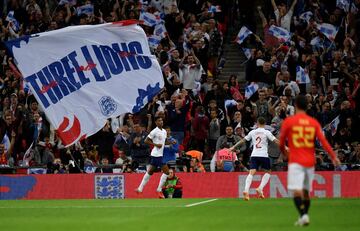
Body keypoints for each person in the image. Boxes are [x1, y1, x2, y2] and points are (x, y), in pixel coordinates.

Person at [279, 95, 340, 226]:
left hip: (295, 161)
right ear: (307, 106)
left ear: (295, 106)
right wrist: (333, 156)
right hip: (310, 161)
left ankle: (303, 215)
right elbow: (323, 141)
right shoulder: (313, 122)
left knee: (296, 191)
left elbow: (281, 142)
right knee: (306, 192)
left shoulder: (289, 122)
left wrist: (285, 153)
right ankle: (304, 216)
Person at [230, 117, 280, 201]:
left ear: (257, 123)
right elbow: (276, 141)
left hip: (254, 155)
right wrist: (285, 147)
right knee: (268, 172)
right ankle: (260, 188)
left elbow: (243, 140)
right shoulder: (267, 132)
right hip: (264, 155)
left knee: (251, 172)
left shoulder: (252, 132)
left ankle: (246, 190)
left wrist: (233, 147)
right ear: (265, 124)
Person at [135, 117, 169, 199]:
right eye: (159, 120)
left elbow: (164, 141)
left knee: (150, 172)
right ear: (156, 122)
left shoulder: (164, 131)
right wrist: (156, 145)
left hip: (158, 155)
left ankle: (140, 188)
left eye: (162, 120)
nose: (161, 122)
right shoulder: (154, 131)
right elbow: (146, 140)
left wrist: (171, 142)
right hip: (157, 155)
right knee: (167, 172)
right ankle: (159, 190)